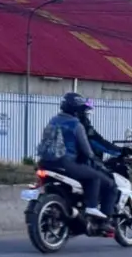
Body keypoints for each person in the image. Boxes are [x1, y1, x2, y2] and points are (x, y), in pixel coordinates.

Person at [35, 92, 117, 221]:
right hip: (65, 164)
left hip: (45, 163)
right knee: (95, 177)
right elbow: (87, 151)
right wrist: (96, 161)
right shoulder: (76, 125)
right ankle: (92, 207)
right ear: (77, 110)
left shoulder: (53, 120)